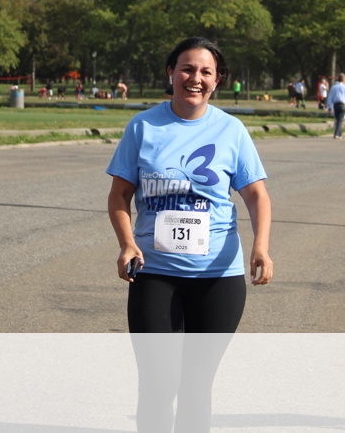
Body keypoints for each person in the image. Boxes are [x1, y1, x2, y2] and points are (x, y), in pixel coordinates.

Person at [106, 37, 273, 431]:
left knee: (196, 385)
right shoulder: (143, 126)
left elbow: (256, 196)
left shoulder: (231, 130)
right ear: (171, 73)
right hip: (154, 273)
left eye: (205, 72)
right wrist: (126, 243)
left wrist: (261, 247)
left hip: (218, 277)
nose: (195, 78)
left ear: (217, 80)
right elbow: (119, 195)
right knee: (158, 384)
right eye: (187, 69)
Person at [326, 73, 345, 139]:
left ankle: (339, 134)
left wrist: (329, 107)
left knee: (337, 119)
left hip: (335, 105)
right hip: (342, 105)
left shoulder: (334, 87)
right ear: (344, 80)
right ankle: (336, 134)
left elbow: (330, 97)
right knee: (340, 120)